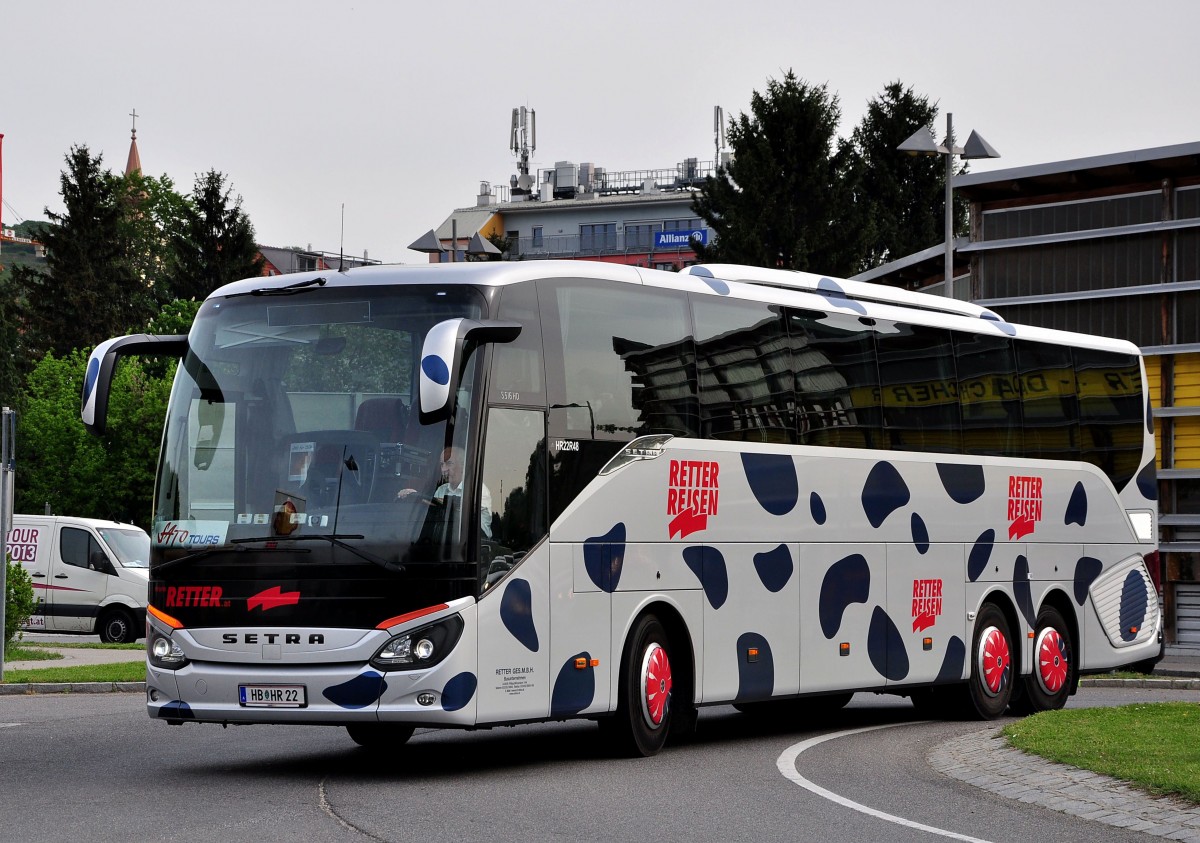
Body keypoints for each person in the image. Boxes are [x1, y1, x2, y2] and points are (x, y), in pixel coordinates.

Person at [397, 446, 492, 538]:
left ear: (463, 465)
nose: (443, 469)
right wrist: (415, 495)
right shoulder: (442, 489)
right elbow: (436, 512)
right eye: (442, 464)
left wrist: (422, 498)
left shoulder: (479, 491)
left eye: (449, 463)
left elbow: (477, 530)